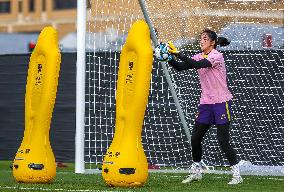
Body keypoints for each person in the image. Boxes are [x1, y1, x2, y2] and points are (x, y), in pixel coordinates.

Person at [161, 29, 242, 185]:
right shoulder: (199, 55)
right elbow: (180, 67)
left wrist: (177, 52)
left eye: (205, 39)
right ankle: (197, 171)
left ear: (212, 42)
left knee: (223, 141)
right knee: (195, 138)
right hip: (206, 104)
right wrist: (168, 57)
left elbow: (198, 65)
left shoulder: (217, 56)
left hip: (221, 102)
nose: (201, 41)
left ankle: (236, 174)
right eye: (200, 38)